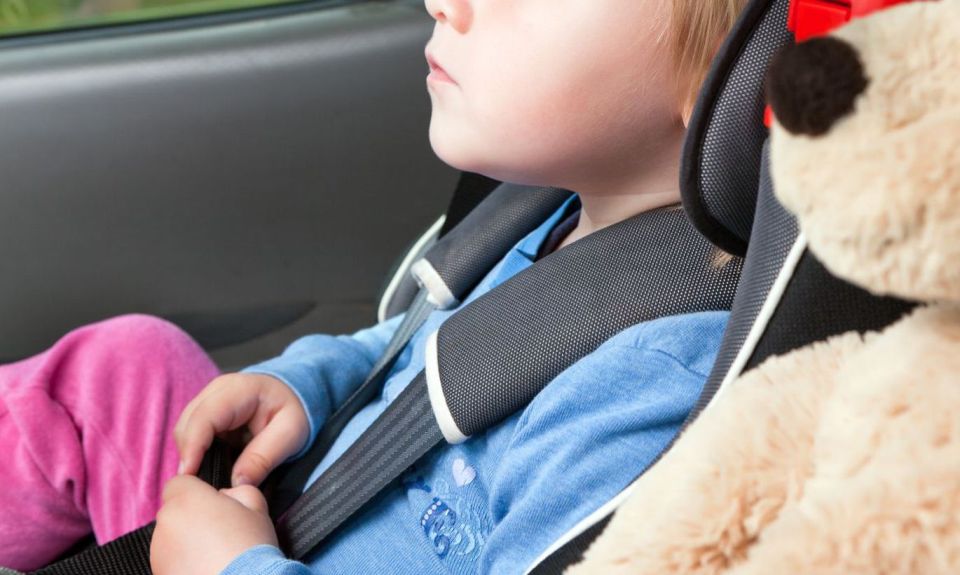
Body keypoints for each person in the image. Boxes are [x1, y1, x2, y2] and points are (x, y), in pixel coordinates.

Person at [0, 0, 747, 573]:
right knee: (126, 367)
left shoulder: (649, 405)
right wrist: (308, 385)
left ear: (725, 71)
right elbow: (422, 356)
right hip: (289, 508)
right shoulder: (551, 212)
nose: (442, 3)